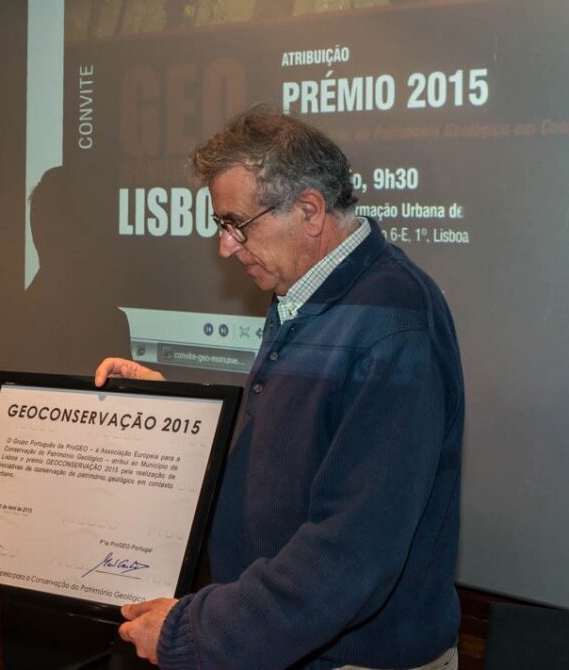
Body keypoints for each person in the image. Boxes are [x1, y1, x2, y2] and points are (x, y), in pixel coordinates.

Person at [95, 106, 464, 670]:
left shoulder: (393, 322)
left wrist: (194, 632)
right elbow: (297, 446)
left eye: (237, 224)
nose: (226, 247)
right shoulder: (307, 295)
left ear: (309, 211)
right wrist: (181, 415)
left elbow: (348, 555)